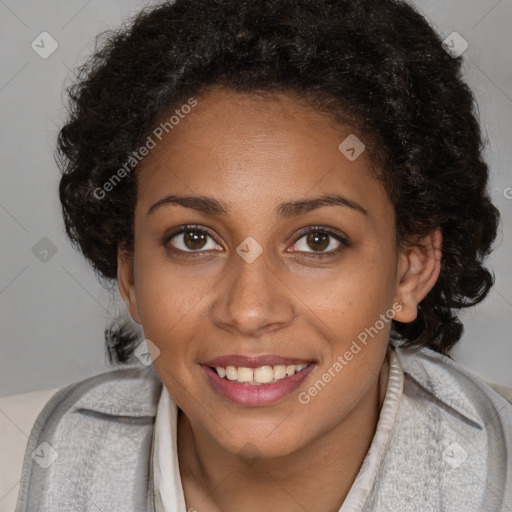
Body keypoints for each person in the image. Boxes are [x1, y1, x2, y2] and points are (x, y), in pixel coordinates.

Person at [14, 0, 512, 511]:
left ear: (410, 269)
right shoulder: (21, 463)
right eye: (193, 239)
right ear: (131, 275)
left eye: (318, 240)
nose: (249, 311)